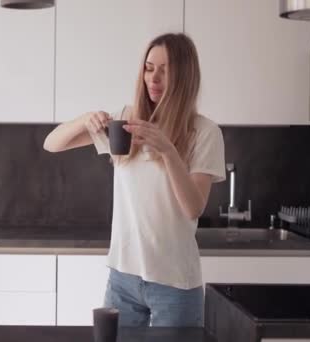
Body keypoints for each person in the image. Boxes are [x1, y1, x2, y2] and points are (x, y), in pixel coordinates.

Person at [43, 33, 226, 327]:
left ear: (185, 76)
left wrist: (167, 150)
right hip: (122, 279)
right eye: (149, 67)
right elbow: (52, 143)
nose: (153, 78)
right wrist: (85, 119)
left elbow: (193, 207)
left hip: (175, 284)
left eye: (165, 70)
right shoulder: (125, 121)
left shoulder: (204, 132)